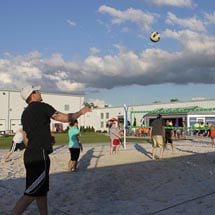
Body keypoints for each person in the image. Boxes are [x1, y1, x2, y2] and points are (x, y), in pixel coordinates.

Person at [12, 85, 91, 215]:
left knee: (41, 192)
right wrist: (81, 112)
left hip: (30, 154)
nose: (40, 92)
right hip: (39, 156)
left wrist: (45, 139)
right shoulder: (43, 107)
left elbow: (26, 138)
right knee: (31, 193)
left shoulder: (24, 113)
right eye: (37, 91)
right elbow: (64, 118)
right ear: (32, 95)